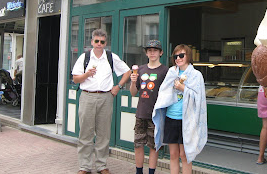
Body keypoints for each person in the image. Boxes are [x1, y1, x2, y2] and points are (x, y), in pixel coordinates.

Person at [71, 29, 131, 174]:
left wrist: (118, 86)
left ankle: (101, 165)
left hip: (106, 97)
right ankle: (84, 166)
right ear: (92, 42)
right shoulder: (84, 57)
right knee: (86, 133)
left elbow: (127, 71)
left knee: (104, 134)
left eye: (102, 42)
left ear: (105, 43)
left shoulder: (111, 57)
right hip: (87, 96)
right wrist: (86, 74)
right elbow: (75, 79)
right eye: (96, 41)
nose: (99, 44)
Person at [152, 44, 207, 174]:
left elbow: (199, 98)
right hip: (171, 117)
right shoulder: (171, 72)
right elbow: (163, 92)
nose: (178, 58)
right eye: (176, 56)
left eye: (181, 55)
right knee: (173, 154)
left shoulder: (196, 75)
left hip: (187, 120)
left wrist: (184, 89)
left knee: (185, 155)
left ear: (188, 56)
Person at [130, 40, 169, 174]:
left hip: (156, 114)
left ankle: (151, 172)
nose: (152, 53)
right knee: (138, 145)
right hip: (141, 112)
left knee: (154, 146)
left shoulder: (165, 71)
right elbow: (133, 92)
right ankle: (139, 171)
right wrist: (133, 82)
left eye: (155, 50)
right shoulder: (140, 69)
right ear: (146, 53)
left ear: (161, 53)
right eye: (149, 50)